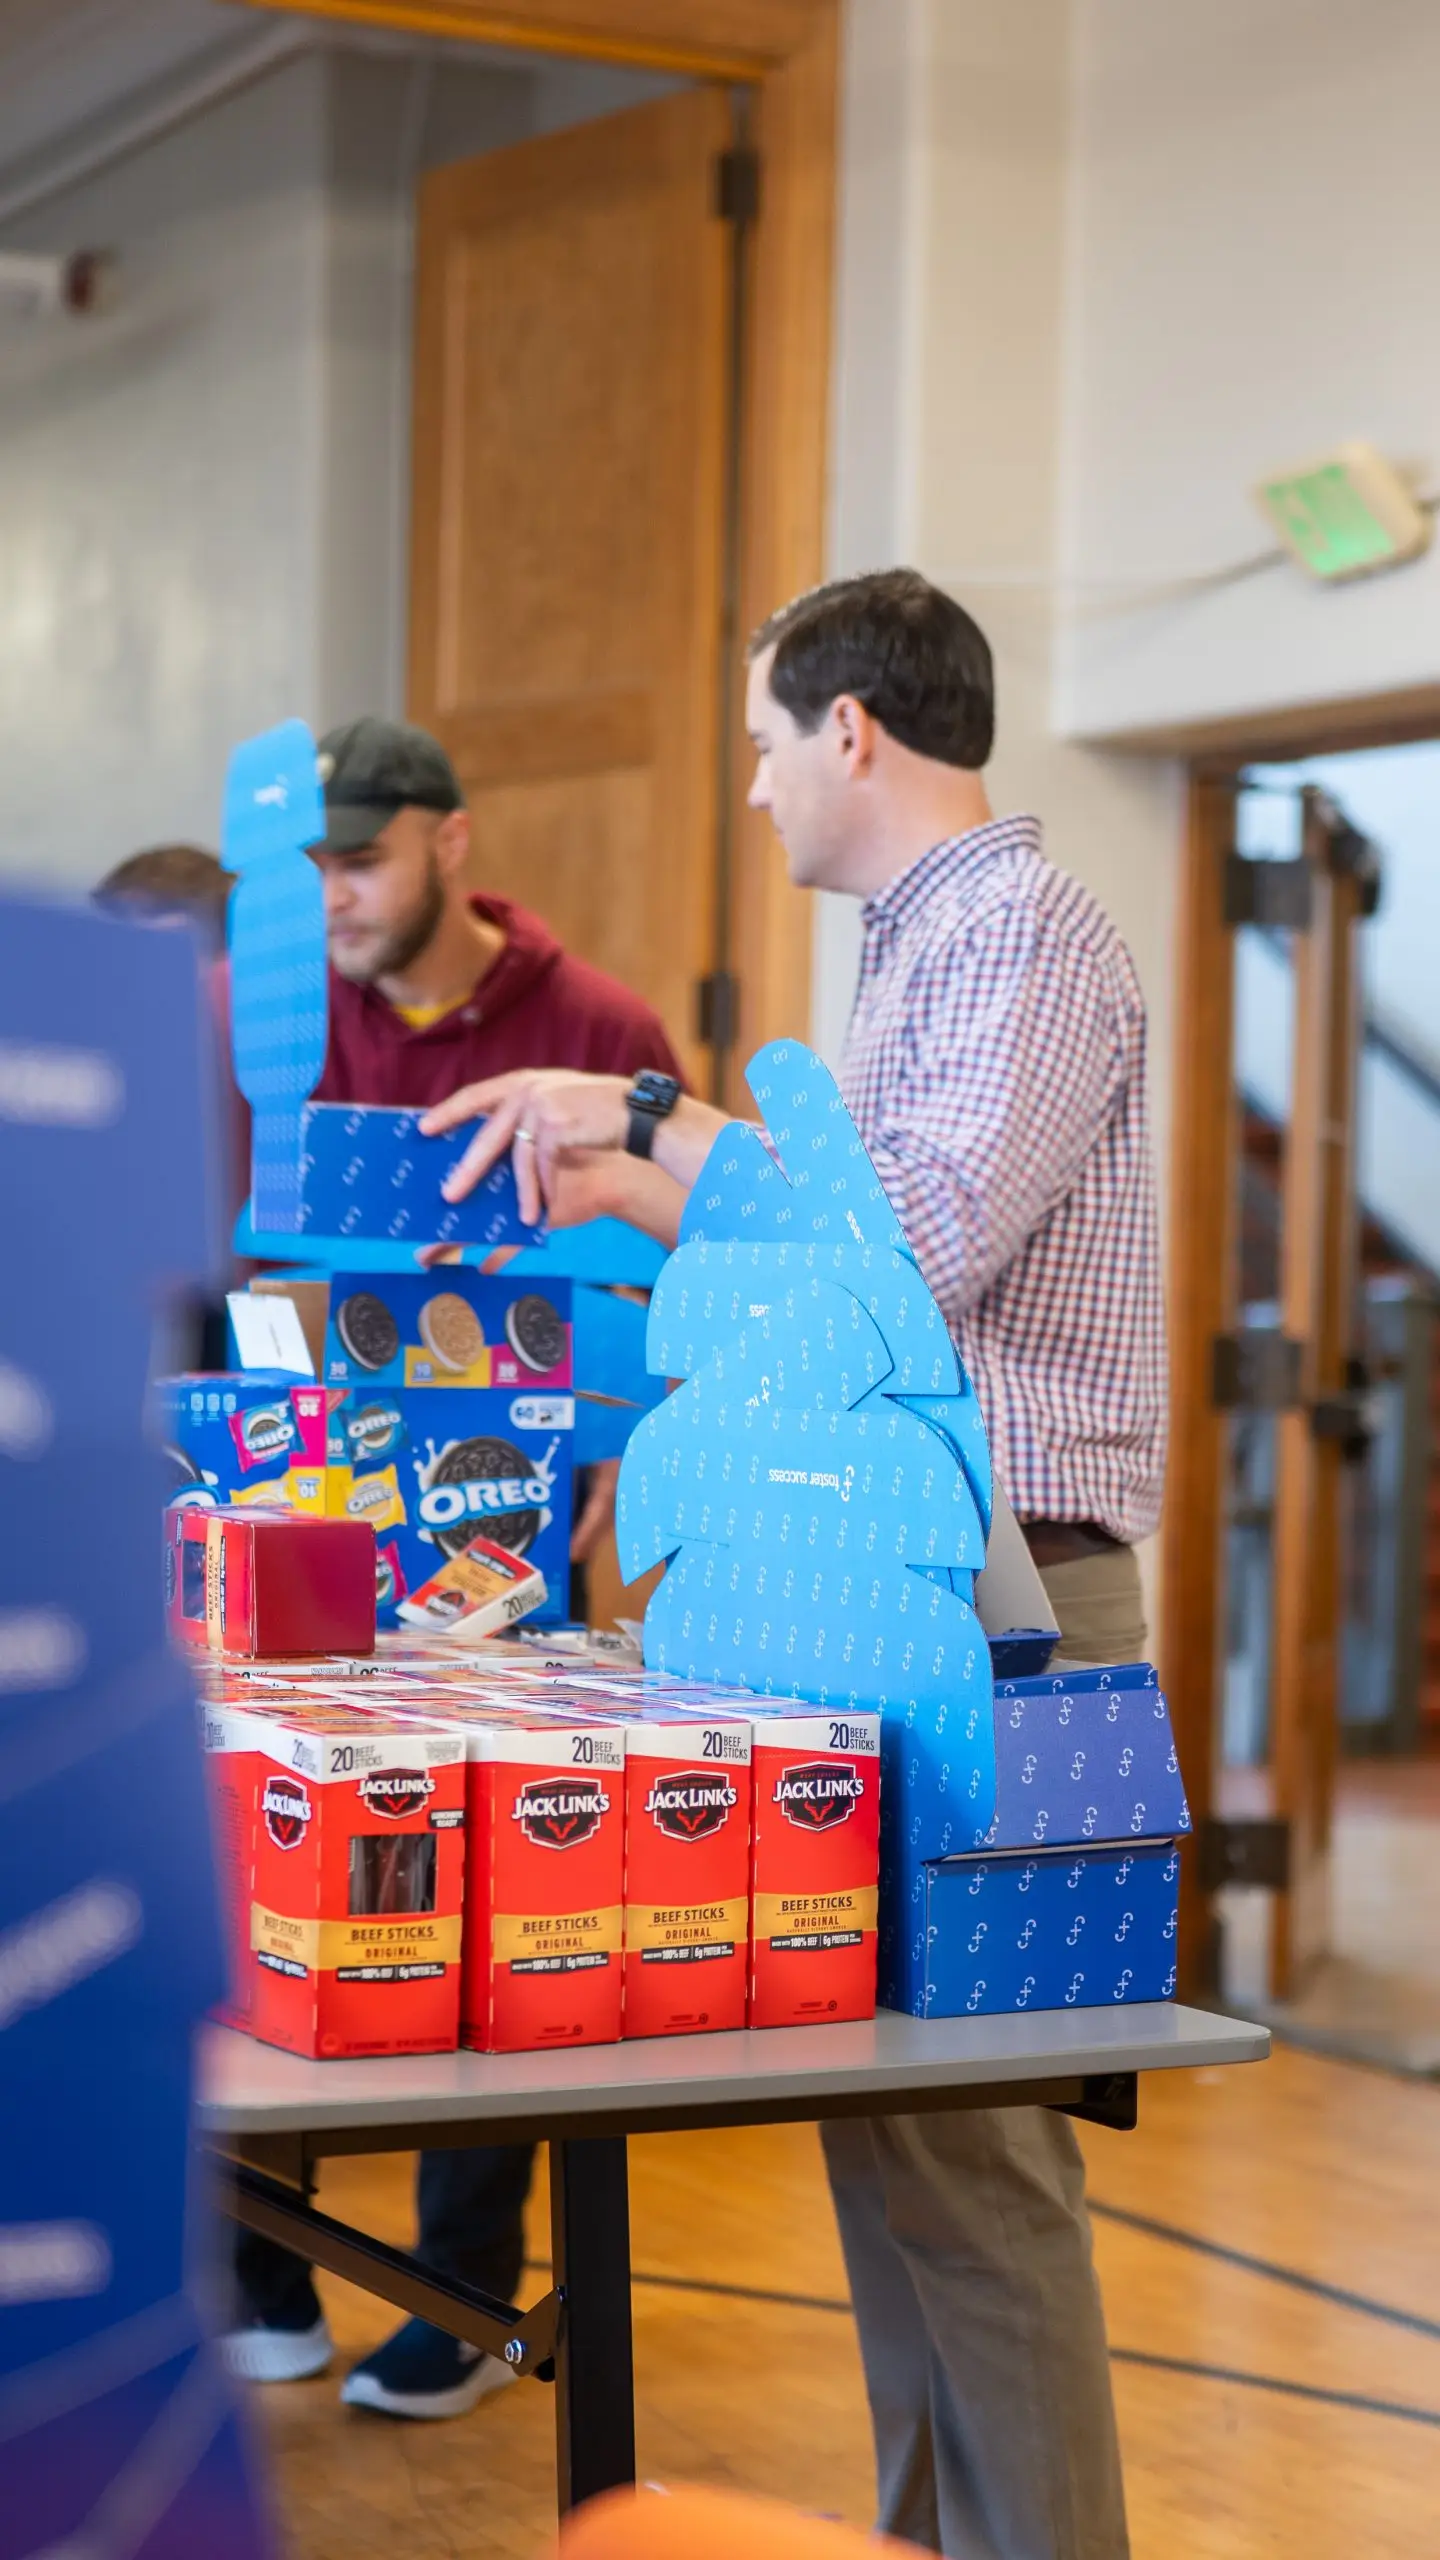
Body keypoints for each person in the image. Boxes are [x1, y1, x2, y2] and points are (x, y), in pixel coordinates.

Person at [420, 571, 1166, 2560]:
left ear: (855, 731)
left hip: (1008, 1602)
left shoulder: (1018, 932)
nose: (751, 787)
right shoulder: (925, 943)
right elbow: (839, 1259)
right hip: (893, 1582)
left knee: (980, 2173)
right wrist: (629, 1151)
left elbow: (895, 1262)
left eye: (763, 743)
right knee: (899, 2165)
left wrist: (648, 1115)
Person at [221, 715, 686, 2423]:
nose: (335, 896)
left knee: (494, 1881)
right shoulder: (259, 1020)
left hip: (502, 1541)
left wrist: (621, 1454)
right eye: (312, 868)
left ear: (450, 843)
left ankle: (469, 2299)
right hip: (282, 1533)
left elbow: (662, 1274)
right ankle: (260, 2268)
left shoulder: (602, 1031)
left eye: (360, 859)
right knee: (264, 1864)